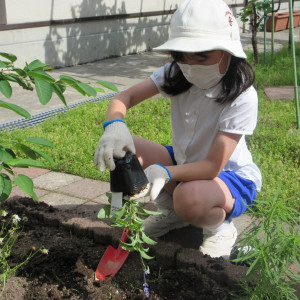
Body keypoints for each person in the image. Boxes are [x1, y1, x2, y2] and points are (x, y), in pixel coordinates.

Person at [94, 0, 262, 259]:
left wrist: (165, 171)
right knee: (127, 151)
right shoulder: (176, 72)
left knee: (188, 196)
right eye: (182, 55)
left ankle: (219, 227)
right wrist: (115, 125)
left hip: (230, 177)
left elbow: (212, 167)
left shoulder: (241, 96)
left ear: (228, 51)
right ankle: (174, 214)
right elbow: (123, 98)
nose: (191, 64)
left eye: (202, 56)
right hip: (186, 163)